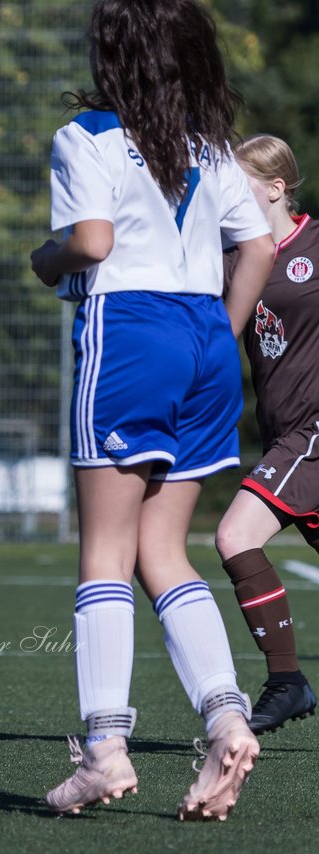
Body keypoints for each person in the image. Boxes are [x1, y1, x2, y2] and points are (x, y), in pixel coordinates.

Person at [28, 0, 275, 821]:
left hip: (130, 331)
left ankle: (103, 749)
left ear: (113, 56)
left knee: (105, 551)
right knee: (166, 549)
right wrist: (217, 335)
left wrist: (44, 257)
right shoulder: (209, 145)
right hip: (204, 332)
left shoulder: (87, 135)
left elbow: (91, 243)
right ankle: (227, 717)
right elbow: (261, 246)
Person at [215, 134, 317, 734]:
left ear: (276, 188)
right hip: (285, 435)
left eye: (241, 185)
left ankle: (287, 680)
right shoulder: (236, 257)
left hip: (313, 433)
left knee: (234, 535)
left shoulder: (316, 245)